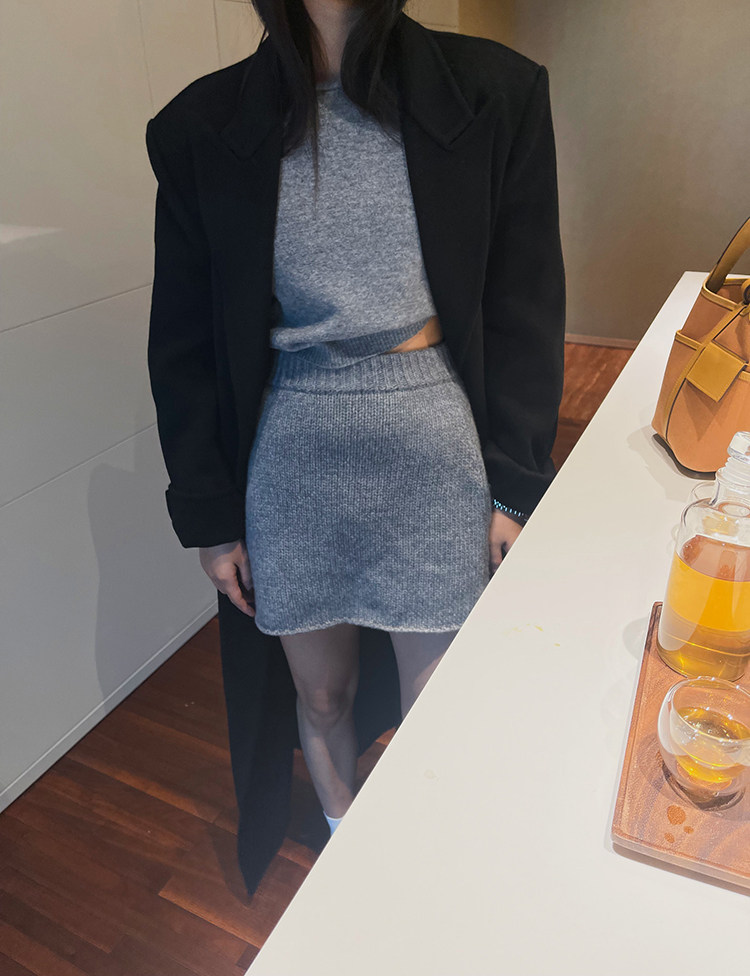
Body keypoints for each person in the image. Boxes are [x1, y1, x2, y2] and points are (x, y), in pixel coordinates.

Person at [145, 0, 565, 887]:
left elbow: (526, 302)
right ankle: (350, 855)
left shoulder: (494, 93)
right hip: (292, 447)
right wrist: (212, 520)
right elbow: (180, 342)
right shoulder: (200, 128)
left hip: (432, 440)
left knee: (440, 698)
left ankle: (438, 870)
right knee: (322, 693)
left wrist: (516, 485)